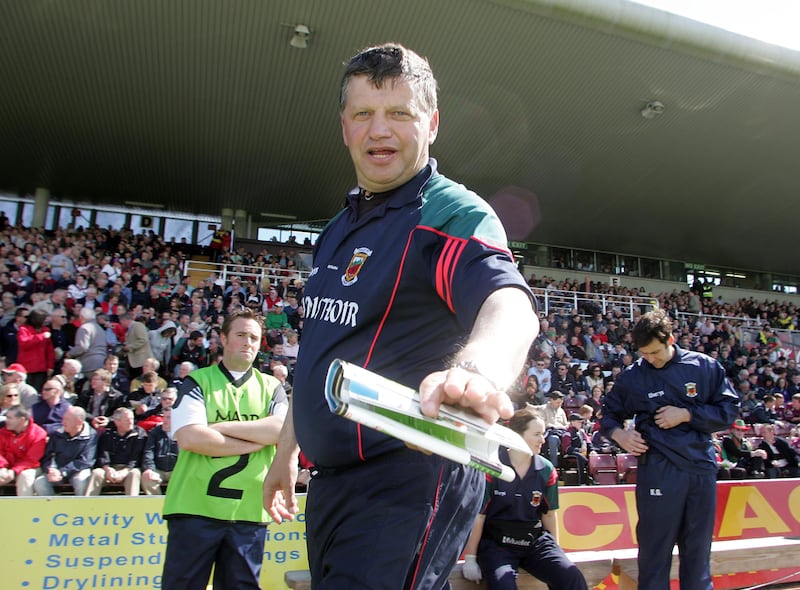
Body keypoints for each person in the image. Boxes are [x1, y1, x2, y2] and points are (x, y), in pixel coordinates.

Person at [263, 43, 537, 590]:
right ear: (344, 127)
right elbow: (319, 357)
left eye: (400, 114)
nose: (379, 130)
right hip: (334, 486)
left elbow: (511, 306)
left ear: (431, 123)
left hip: (409, 478)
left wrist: (477, 372)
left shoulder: (451, 212)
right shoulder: (336, 230)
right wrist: (285, 453)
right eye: (364, 113)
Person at [600, 309, 740, 590]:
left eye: (654, 352)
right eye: (644, 354)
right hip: (659, 471)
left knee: (698, 555)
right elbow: (607, 416)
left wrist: (686, 414)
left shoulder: (704, 367)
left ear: (670, 339)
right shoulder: (633, 377)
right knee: (654, 555)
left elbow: (729, 411)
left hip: (700, 470)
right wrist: (620, 435)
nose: (650, 359)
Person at [162, 308, 288, 589]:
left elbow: (281, 430)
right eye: (241, 335)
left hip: (249, 511)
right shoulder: (197, 381)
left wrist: (218, 427)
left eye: (254, 337)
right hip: (195, 508)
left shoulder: (272, 387)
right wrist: (259, 439)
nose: (248, 343)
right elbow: (192, 439)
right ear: (223, 338)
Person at [461, 409, 587, 589]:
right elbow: (479, 516)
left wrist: (556, 552)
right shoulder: (493, 466)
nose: (542, 440)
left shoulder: (546, 469)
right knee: (503, 585)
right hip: (498, 545)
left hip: (534, 543)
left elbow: (549, 515)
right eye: (536, 434)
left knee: (571, 577)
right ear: (515, 436)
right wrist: (471, 558)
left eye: (542, 434)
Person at [34, 406, 97, 496]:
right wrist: (51, 469)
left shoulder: (91, 435)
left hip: (77, 470)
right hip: (57, 470)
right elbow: (48, 455)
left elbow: (86, 461)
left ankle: (81, 508)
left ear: (79, 422)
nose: (63, 423)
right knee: (40, 483)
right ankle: (52, 509)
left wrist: (63, 471)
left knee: (81, 481)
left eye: (67, 420)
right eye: (63, 419)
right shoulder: (57, 433)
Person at [86, 406, 147, 496]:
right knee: (97, 473)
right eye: (127, 420)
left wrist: (125, 471)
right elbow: (103, 455)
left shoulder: (140, 433)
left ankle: (132, 506)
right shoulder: (107, 434)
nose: (131, 422)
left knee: (134, 473)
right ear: (117, 422)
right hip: (111, 468)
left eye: (132, 419)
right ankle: (88, 505)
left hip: (129, 468)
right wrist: (108, 469)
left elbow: (136, 457)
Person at [0, 405, 48, 495]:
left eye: (10, 418)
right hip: (6, 467)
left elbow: (31, 460)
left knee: (25, 476)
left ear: (22, 420)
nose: (6, 421)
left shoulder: (39, 434)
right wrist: (2, 467)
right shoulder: (3, 432)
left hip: (31, 467)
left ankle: (25, 508)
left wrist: (14, 471)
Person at [141, 407, 179, 495]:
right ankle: (157, 504)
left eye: (168, 418)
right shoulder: (155, 432)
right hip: (158, 469)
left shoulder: (182, 432)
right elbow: (148, 452)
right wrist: (149, 469)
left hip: (176, 469)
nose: (164, 420)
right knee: (147, 478)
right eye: (164, 417)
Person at [16, 308, 56, 392]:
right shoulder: (24, 329)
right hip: (27, 368)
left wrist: (50, 366)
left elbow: (49, 350)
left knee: (38, 392)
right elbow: (24, 343)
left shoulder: (45, 330)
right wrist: (41, 337)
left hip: (41, 368)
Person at [67, 307, 107, 375]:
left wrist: (70, 353)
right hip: (102, 362)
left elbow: (82, 347)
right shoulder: (100, 329)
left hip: (89, 363)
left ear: (81, 317)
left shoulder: (84, 328)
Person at [120, 312, 154, 379]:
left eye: (121, 322)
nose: (121, 324)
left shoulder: (138, 325)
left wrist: (129, 347)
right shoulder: (130, 329)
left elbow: (143, 340)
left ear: (124, 320)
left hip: (141, 361)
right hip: (133, 361)